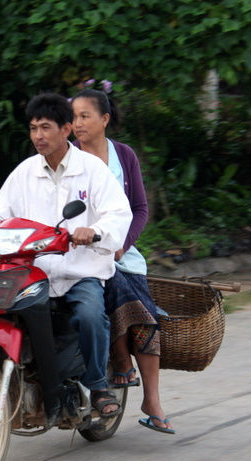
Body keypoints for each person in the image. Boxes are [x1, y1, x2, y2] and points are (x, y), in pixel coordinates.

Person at [0, 92, 132, 421]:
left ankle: (97, 384)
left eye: (46, 127)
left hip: (80, 270)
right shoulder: (24, 172)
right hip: (32, 272)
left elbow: (117, 214)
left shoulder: (92, 170)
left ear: (66, 129)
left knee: (90, 313)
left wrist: (92, 232)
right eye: (34, 128)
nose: (39, 135)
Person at [71, 88, 175, 434]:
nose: (77, 123)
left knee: (145, 315)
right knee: (109, 295)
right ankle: (118, 361)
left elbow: (140, 209)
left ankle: (153, 401)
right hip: (77, 257)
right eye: (73, 117)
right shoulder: (66, 158)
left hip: (122, 255)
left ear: (104, 119)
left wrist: (120, 245)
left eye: (85, 116)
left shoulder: (124, 156)